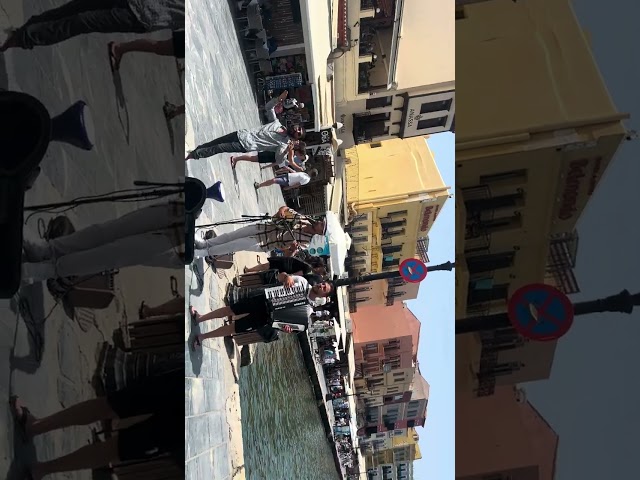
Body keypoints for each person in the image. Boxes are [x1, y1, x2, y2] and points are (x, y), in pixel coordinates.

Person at [10, 369, 182, 480]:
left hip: (195, 429)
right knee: (112, 405)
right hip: (193, 380)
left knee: (118, 448)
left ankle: (42, 470)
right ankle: (35, 427)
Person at [21, 200, 184, 283]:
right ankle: (46, 250)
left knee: (114, 254)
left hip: (182, 243)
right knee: (109, 229)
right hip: (181, 209)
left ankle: (44, 271)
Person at [190, 272, 333, 349]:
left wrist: (287, 328)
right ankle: (200, 317)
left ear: (323, 296)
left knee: (234, 327)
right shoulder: (302, 282)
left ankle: (203, 337)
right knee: (231, 310)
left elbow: (289, 327)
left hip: (267, 318)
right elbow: (280, 276)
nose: (321, 286)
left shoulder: (307, 311)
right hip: (264, 300)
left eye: (323, 288)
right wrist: (287, 277)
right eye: (322, 284)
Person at [0, 0, 185, 51]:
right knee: (73, 8)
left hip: (141, 16)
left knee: (80, 22)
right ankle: (22, 31)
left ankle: (18, 39)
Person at [193, 206, 325, 258]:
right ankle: (205, 243)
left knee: (233, 245)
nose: (319, 222)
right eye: (321, 221)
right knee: (230, 235)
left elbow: (286, 254)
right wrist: (281, 211)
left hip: (264, 242)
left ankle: (204, 253)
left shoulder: (306, 243)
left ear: (321, 232)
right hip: (263, 227)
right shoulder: (304, 219)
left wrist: (291, 249)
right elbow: (285, 209)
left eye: (322, 225)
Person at [243, 255, 327, 276]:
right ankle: (249, 271)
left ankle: (249, 271)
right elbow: (296, 274)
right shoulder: (308, 269)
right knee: (266, 268)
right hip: (285, 266)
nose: (319, 273)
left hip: (285, 262)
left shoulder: (308, 265)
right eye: (321, 272)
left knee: (265, 267)